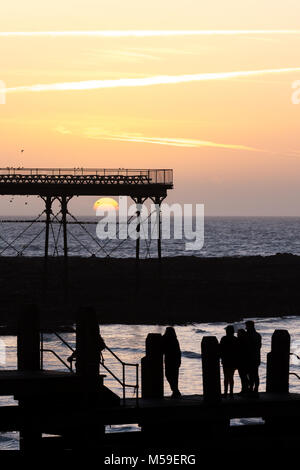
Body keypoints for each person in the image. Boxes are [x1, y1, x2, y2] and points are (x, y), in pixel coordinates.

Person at [162, 327, 182, 398]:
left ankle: (175, 391)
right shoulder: (173, 339)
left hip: (170, 361)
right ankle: (175, 391)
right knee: (173, 377)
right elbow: (179, 352)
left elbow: (178, 352)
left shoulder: (170, 339)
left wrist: (179, 361)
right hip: (173, 361)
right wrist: (179, 361)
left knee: (169, 376)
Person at [220, 325, 238, 398]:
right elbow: (238, 350)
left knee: (226, 377)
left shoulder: (224, 338)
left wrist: (221, 357)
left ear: (227, 331)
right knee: (231, 377)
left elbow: (221, 349)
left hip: (226, 360)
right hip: (233, 360)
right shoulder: (235, 339)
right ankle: (231, 393)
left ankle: (225, 393)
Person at [245, 320, 261, 395]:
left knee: (250, 375)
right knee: (255, 374)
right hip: (256, 358)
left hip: (249, 358)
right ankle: (256, 389)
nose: (245, 327)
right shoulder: (258, 335)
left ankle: (251, 389)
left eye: (246, 326)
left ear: (249, 326)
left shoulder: (247, 335)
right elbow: (259, 347)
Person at [236, 328, 249, 395]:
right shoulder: (247, 340)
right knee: (246, 376)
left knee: (243, 376)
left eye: (238, 333)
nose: (237, 334)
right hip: (247, 361)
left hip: (241, 362)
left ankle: (244, 390)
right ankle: (246, 390)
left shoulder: (239, 341)